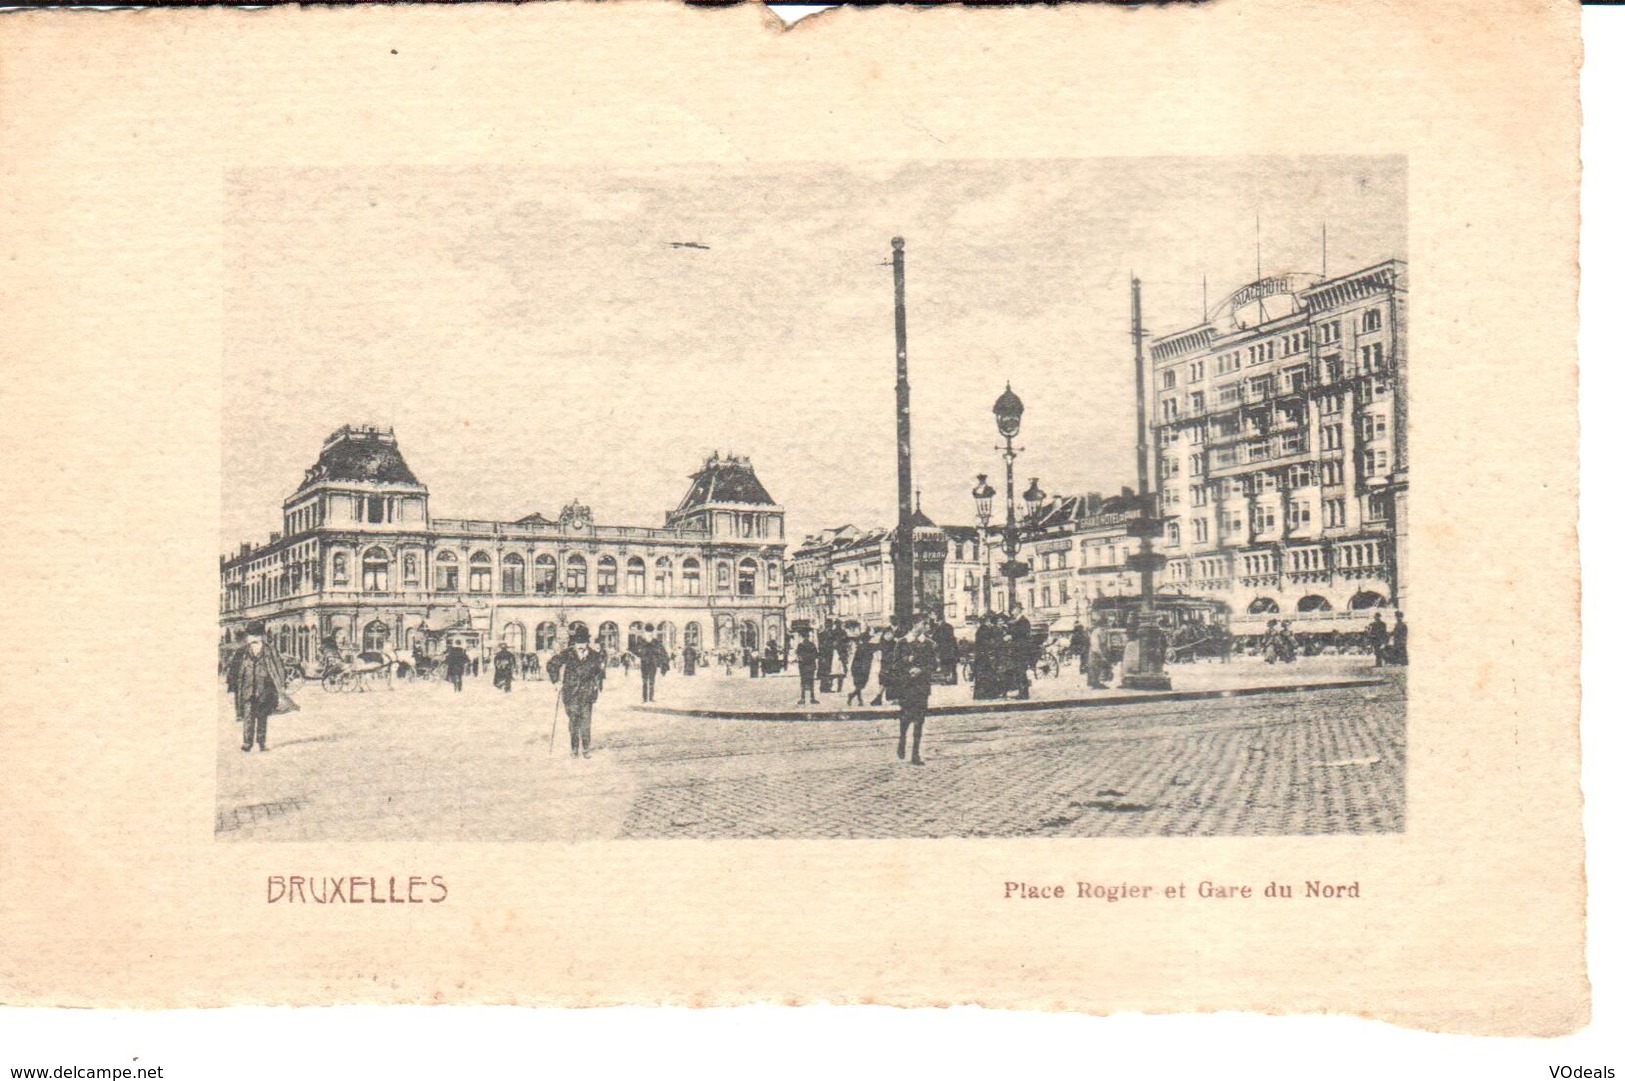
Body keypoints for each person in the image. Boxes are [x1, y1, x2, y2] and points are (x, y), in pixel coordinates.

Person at [228, 620, 291, 753]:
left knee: (262, 716)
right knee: (248, 717)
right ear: (248, 636)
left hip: (265, 689)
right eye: (252, 635)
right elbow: (233, 670)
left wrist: (282, 683)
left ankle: (261, 742)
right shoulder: (242, 651)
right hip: (247, 688)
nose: (254, 638)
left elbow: (279, 667)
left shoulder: (270, 650)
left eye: (257, 635)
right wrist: (231, 688)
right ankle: (247, 743)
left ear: (262, 636)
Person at [547, 626, 606, 758]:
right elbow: (551, 665)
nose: (581, 645)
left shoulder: (594, 655)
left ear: (587, 642)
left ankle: (585, 749)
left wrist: (598, 681)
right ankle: (574, 749)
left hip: (587, 693)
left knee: (585, 722)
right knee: (573, 721)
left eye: (583, 642)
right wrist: (556, 681)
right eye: (578, 642)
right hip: (570, 693)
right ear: (574, 643)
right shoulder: (567, 653)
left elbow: (599, 671)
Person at [894, 618, 937, 766]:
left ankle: (915, 754)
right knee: (905, 717)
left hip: (921, 686)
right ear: (914, 624)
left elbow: (933, 664)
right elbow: (895, 663)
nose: (926, 626)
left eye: (927, 624)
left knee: (919, 720)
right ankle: (902, 739)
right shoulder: (902, 642)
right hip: (906, 686)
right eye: (923, 623)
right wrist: (906, 660)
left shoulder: (929, 644)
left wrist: (921, 670)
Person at [636, 633, 670, 704]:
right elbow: (636, 651)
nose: (647, 636)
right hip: (648, 664)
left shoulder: (647, 642)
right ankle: (647, 698)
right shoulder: (644, 642)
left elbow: (662, 652)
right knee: (647, 681)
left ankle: (648, 698)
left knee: (649, 681)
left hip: (649, 663)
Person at [1007, 604, 1033, 699]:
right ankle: (1021, 692)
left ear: (1018, 610)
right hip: (1017, 650)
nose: (1011, 612)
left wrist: (1012, 636)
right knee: (1018, 672)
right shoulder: (1016, 621)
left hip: (1022, 651)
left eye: (1013, 610)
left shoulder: (1024, 621)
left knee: (1021, 671)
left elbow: (1023, 633)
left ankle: (1024, 694)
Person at [847, 628, 876, 706]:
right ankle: (854, 697)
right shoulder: (867, 647)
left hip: (858, 668)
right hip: (862, 669)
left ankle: (859, 700)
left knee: (859, 685)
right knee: (860, 685)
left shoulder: (861, 647)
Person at [871, 626, 897, 706]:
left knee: (888, 680)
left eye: (891, 634)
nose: (890, 636)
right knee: (885, 680)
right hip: (886, 663)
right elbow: (879, 653)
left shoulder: (894, 642)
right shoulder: (883, 643)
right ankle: (881, 698)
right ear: (884, 634)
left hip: (891, 663)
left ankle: (880, 698)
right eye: (888, 634)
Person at [932, 614, 959, 686]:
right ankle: (953, 680)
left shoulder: (939, 628)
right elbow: (953, 638)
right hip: (951, 650)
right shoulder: (949, 626)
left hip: (944, 650)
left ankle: (946, 679)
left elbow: (934, 637)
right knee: (952, 666)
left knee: (945, 665)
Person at [794, 630, 820, 705]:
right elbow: (816, 655)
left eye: (806, 636)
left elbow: (799, 655)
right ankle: (810, 698)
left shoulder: (801, 645)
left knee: (804, 682)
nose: (806, 638)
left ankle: (804, 699)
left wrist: (803, 659)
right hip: (809, 665)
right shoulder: (811, 645)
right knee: (809, 682)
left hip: (804, 666)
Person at [1087, 621, 1113, 689]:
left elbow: (1107, 643)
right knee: (1095, 667)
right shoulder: (1096, 632)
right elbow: (1095, 646)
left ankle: (1100, 682)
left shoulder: (1105, 632)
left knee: (1102, 667)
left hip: (1102, 650)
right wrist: (1101, 655)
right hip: (1095, 652)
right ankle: (1096, 683)